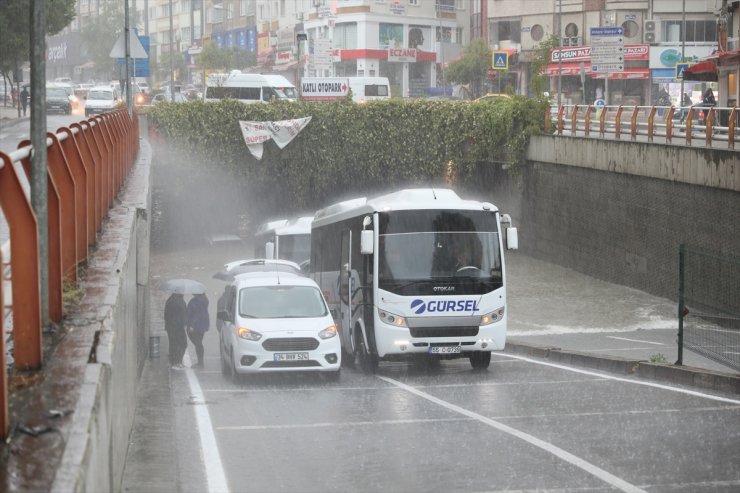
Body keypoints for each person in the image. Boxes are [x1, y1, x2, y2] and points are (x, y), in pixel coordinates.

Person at [164, 292, 188, 369]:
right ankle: (178, 362)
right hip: (178, 327)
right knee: (183, 344)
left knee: (173, 344)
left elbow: (165, 315)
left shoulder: (169, 301)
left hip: (169, 326)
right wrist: (185, 323)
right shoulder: (181, 302)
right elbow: (184, 315)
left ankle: (172, 362)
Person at [187, 292, 210, 369]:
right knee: (198, 342)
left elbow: (196, 314)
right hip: (202, 325)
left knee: (198, 343)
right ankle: (200, 361)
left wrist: (192, 325)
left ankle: (200, 363)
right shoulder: (205, 300)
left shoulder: (195, 302)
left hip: (196, 326)